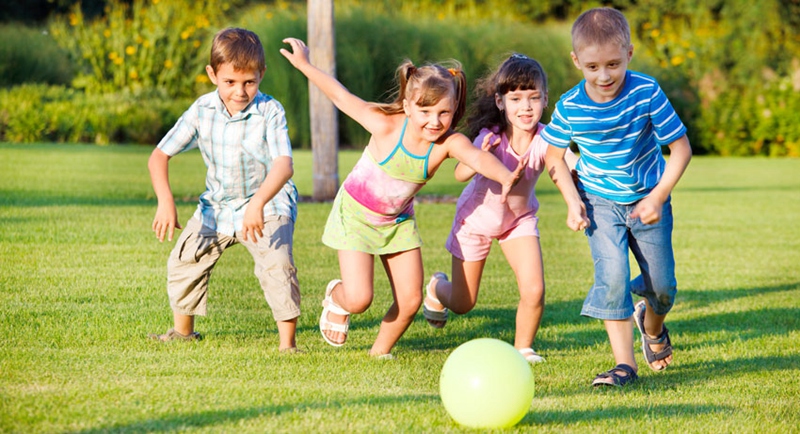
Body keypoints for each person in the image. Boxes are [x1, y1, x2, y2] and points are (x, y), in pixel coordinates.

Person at [280, 37, 522, 358]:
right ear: (408, 106)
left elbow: (476, 157)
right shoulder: (385, 125)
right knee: (359, 298)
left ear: (454, 110)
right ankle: (338, 298)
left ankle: (378, 353)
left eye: (444, 112)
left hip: (397, 223)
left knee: (410, 301)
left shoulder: (447, 143)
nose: (434, 121)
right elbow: (340, 96)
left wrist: (505, 176)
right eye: (425, 110)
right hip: (355, 216)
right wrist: (305, 65)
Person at [542, 7, 692, 386]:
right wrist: (573, 201)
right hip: (599, 202)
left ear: (629, 53)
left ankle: (652, 326)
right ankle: (625, 365)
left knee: (663, 288)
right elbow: (553, 156)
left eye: (613, 64)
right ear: (576, 61)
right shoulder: (570, 106)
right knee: (612, 278)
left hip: (648, 199)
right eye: (592, 67)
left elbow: (681, 148)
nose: (604, 76)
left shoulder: (646, 92)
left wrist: (658, 196)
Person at [147, 28, 302, 353]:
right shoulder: (202, 110)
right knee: (185, 259)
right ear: (212, 74)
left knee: (277, 264)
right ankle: (183, 333)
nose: (240, 91)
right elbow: (159, 156)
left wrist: (258, 203)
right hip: (217, 207)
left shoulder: (270, 111)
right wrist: (165, 201)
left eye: (249, 82)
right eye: (230, 81)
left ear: (261, 75)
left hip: (268, 203)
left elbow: (284, 166)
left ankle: (287, 346)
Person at [423, 54, 577, 364]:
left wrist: (582, 182)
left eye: (534, 98)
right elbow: (460, 174)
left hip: (518, 221)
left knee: (534, 289)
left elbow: (567, 163)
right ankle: (436, 287)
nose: (526, 107)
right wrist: (478, 156)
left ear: (546, 99)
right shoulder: (490, 136)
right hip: (475, 221)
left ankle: (523, 349)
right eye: (516, 99)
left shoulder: (547, 138)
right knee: (463, 303)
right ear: (500, 101)